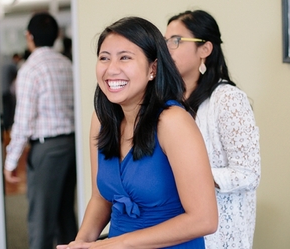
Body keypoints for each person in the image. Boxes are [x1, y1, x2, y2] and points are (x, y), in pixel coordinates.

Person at [61, 17, 217, 249]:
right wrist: (80, 242)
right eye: (104, 58)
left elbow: (205, 220)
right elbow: (100, 198)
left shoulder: (173, 122)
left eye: (125, 57)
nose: (111, 69)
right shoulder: (101, 119)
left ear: (153, 68)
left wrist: (118, 244)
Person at [165, 10, 261, 249]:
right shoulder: (163, 100)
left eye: (175, 41)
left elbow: (249, 173)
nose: (166, 49)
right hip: (173, 225)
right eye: (164, 41)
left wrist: (191, 178)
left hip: (218, 233)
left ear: (205, 49)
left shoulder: (227, 99)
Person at [3, 12, 77, 249]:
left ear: (29, 36)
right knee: (66, 216)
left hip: (47, 150)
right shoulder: (67, 65)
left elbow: (23, 121)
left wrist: (11, 160)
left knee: (41, 220)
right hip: (71, 145)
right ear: (57, 35)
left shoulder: (30, 69)